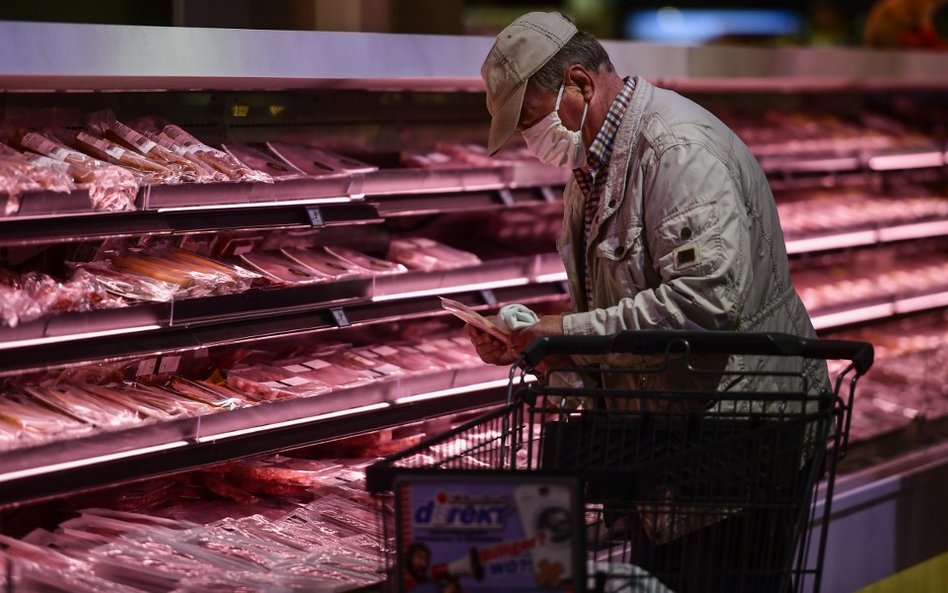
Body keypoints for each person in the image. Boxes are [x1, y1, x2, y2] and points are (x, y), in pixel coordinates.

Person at [466, 10, 832, 593]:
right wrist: (540, 342)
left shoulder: (676, 151)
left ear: (580, 84)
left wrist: (566, 334)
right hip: (679, 438)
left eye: (530, 120)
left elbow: (703, 307)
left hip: (741, 433)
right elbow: (627, 297)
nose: (527, 140)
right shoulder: (594, 164)